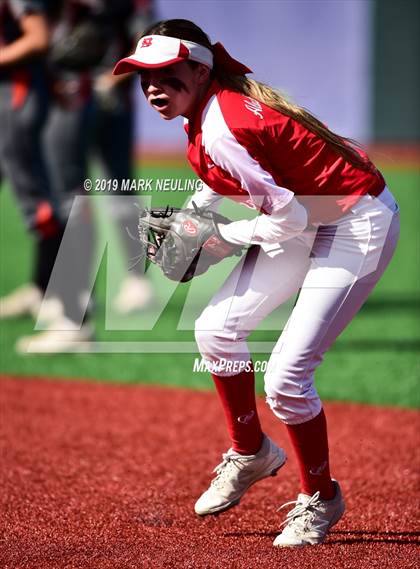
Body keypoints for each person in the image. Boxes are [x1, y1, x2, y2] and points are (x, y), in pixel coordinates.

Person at [113, 19, 400, 547]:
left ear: (200, 71)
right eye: (142, 77)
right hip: (309, 216)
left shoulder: (221, 125)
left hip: (356, 222)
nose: (152, 86)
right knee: (215, 331)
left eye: (165, 74)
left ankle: (322, 497)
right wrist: (194, 220)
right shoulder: (206, 111)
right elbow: (227, 183)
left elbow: (285, 219)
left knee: (288, 379)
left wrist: (218, 238)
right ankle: (252, 452)